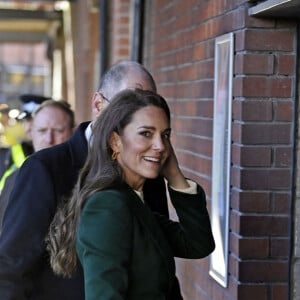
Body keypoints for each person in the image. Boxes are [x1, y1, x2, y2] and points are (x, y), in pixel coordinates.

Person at [0, 60, 184, 300]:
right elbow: (13, 267)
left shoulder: (149, 169)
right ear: (98, 104)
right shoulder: (45, 169)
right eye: (128, 106)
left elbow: (161, 256)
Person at [47, 88, 215, 299]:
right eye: (146, 133)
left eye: (165, 135)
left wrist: (174, 174)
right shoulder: (108, 205)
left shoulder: (131, 200)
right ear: (115, 141)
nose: (160, 146)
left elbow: (197, 244)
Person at [0, 99, 75, 232]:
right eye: (41, 131)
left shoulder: (84, 178)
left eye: (58, 131)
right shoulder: (13, 178)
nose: (49, 139)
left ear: (73, 132)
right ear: (31, 133)